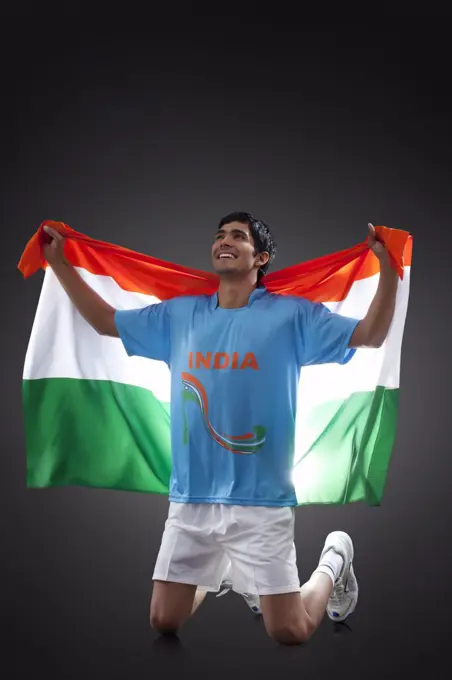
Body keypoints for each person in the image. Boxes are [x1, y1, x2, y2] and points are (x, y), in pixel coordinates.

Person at [42, 212, 398, 645]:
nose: (224, 241)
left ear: (260, 257)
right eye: (219, 235)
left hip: (261, 500)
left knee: (290, 631)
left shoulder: (291, 316)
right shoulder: (180, 315)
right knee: (163, 621)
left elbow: (372, 334)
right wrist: (59, 263)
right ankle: (225, 572)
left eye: (237, 236)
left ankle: (333, 561)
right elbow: (104, 321)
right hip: (192, 499)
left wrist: (389, 272)